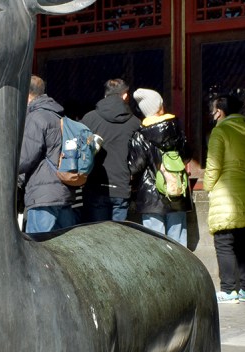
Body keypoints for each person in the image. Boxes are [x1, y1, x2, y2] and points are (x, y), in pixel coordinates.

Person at [202, 93, 245, 303]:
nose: (212, 114)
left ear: (220, 112)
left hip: (225, 195)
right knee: (243, 243)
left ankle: (228, 291)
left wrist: (208, 187)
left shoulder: (220, 132)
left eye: (214, 110)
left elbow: (213, 165)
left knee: (224, 243)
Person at [127, 88, 192, 245]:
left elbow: (135, 167)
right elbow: (187, 156)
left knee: (155, 242)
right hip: (176, 189)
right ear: (160, 106)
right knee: (178, 241)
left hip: (150, 196)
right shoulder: (176, 129)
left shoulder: (140, 135)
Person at [18, 75, 77, 237]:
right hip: (63, 192)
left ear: (27, 94)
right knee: (65, 246)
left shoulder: (36, 117)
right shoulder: (58, 116)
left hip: (43, 196)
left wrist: (7, 171)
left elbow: (25, 158)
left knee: (37, 245)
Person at [80, 78, 140, 223]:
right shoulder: (135, 122)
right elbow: (139, 156)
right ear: (125, 95)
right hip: (121, 185)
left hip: (95, 185)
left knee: (98, 233)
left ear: (105, 94)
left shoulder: (90, 118)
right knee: (118, 235)